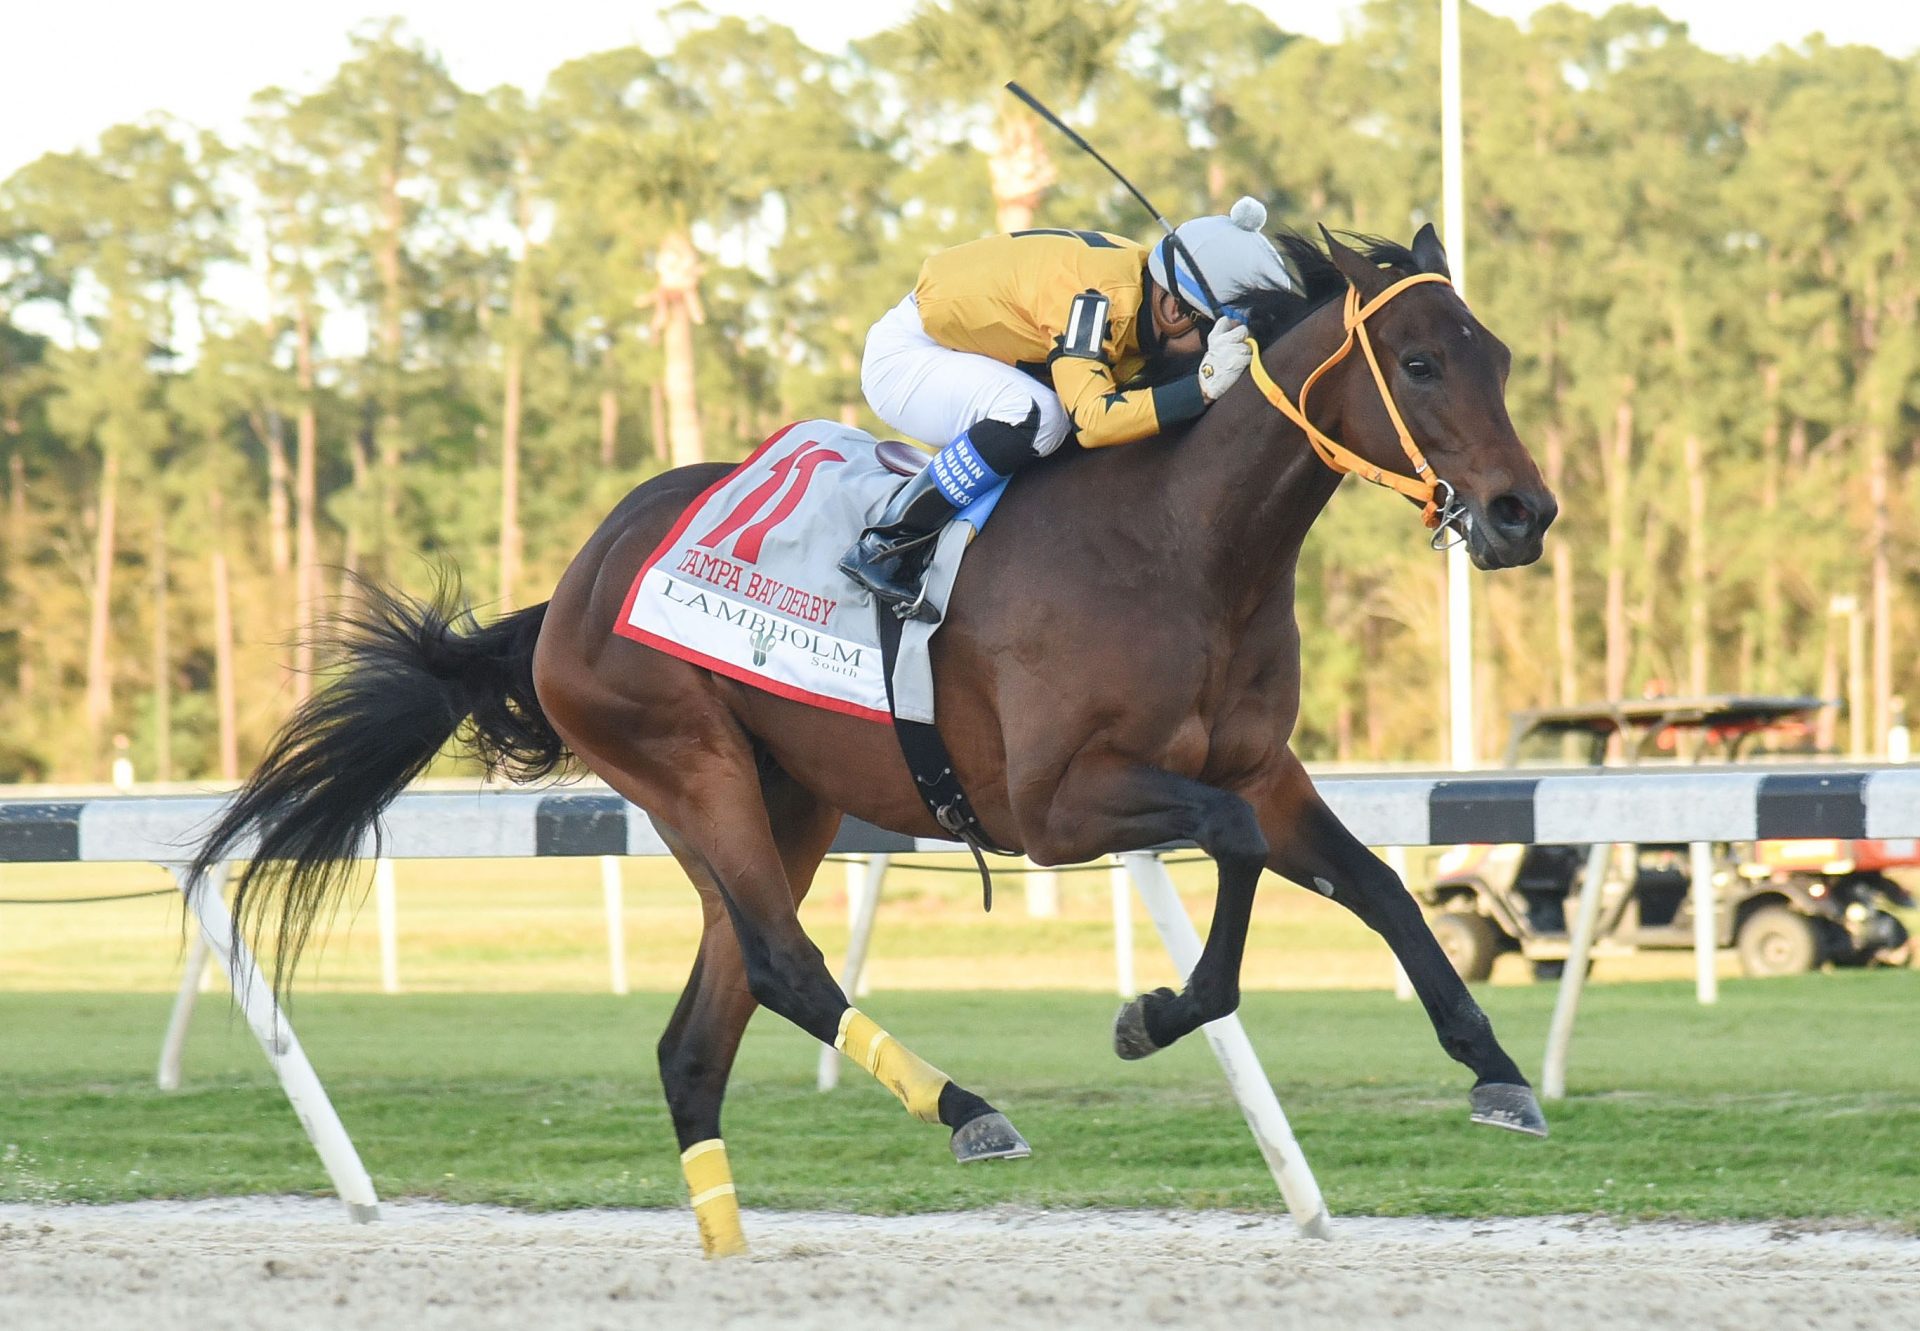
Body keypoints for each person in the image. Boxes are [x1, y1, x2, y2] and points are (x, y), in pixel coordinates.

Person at [839, 196, 1294, 616]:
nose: (1212, 352)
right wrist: (1203, 385)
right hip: (911, 357)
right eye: (1213, 336)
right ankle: (887, 544)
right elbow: (1093, 420)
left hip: (975, 351)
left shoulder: (1148, 290)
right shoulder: (1094, 302)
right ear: (1174, 311)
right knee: (1040, 415)